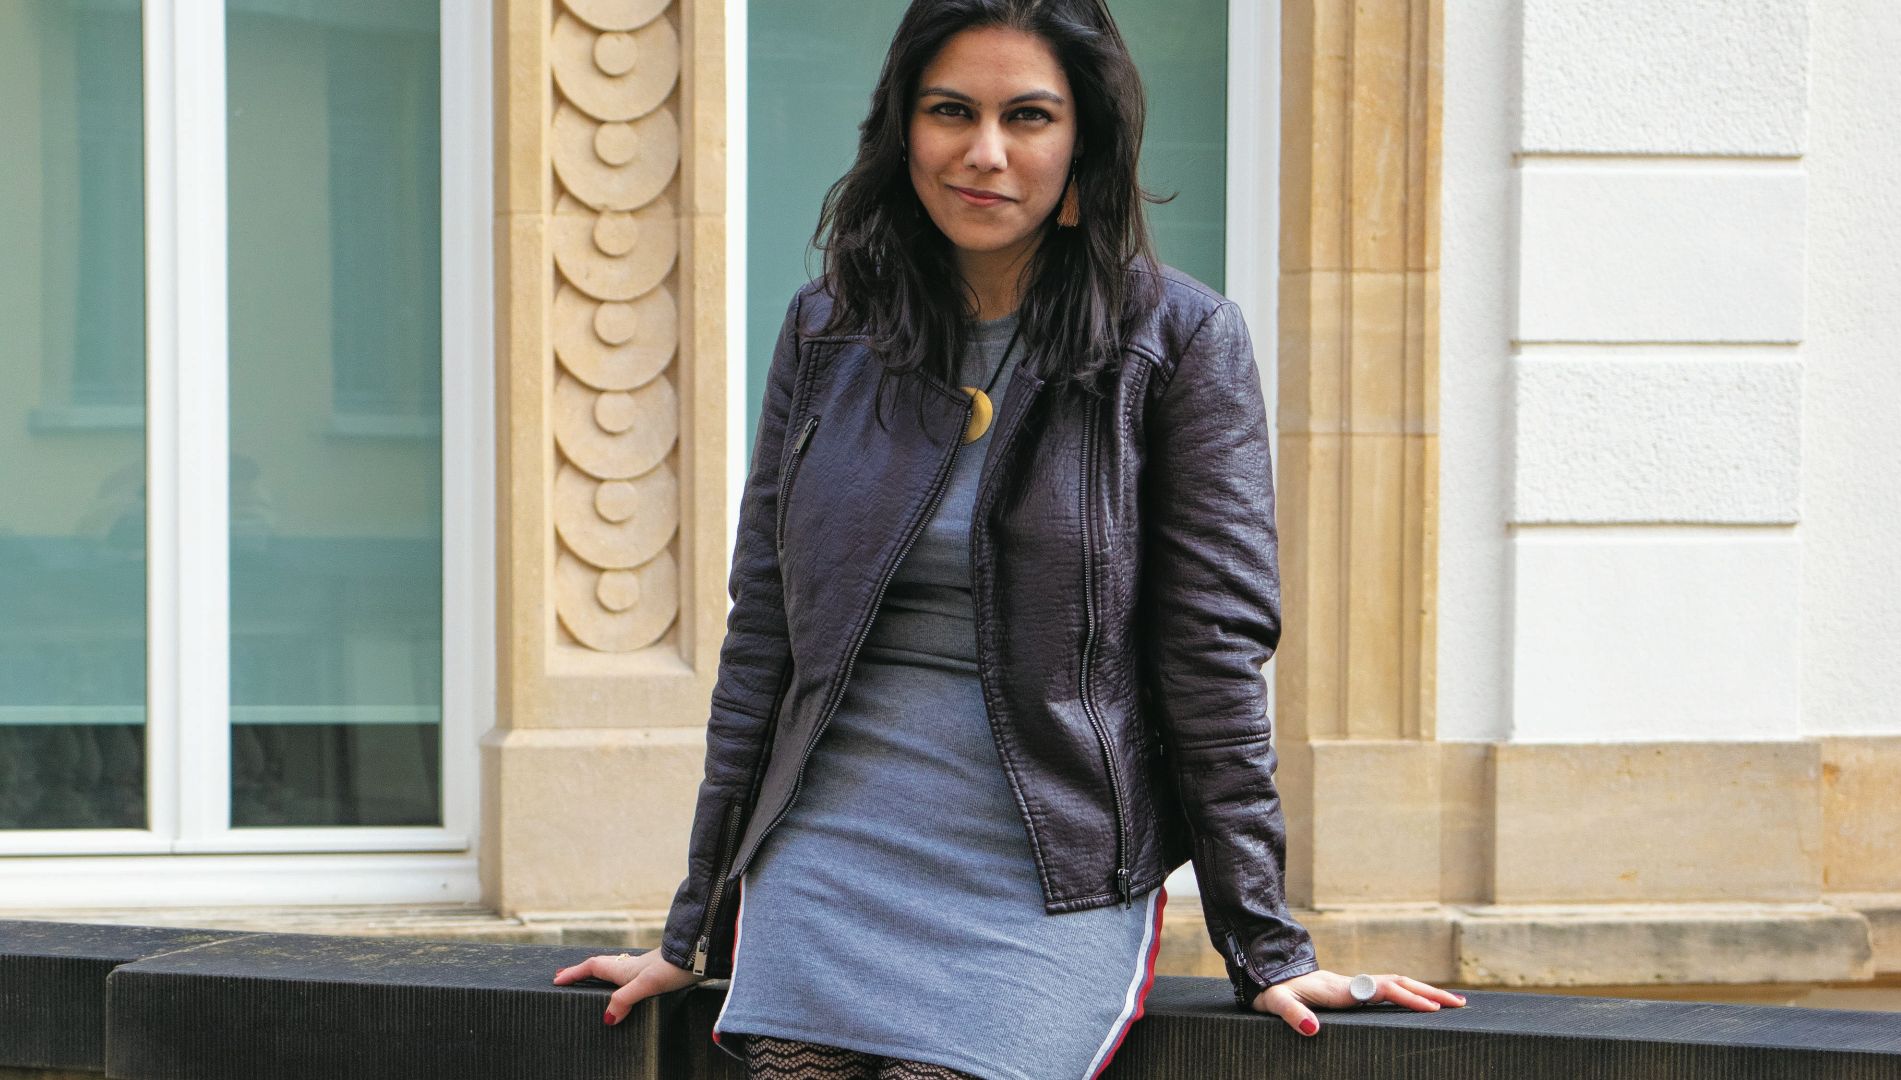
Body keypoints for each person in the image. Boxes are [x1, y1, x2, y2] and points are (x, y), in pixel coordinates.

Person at [555, 2, 1466, 1077]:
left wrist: (1264, 942)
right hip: (832, 852)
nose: (984, 152)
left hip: (1045, 867)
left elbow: (1213, 655)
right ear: (905, 130)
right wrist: (694, 922)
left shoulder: (1177, 344)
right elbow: (766, 636)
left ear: (1084, 140)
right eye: (951, 111)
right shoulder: (826, 330)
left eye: (1028, 115)